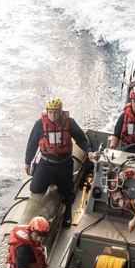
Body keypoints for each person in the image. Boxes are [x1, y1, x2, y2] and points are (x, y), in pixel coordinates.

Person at [24, 97, 94, 227]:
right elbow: (32, 144)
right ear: (47, 111)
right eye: (50, 112)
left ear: (61, 112)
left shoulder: (70, 123)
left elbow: (80, 138)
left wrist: (88, 150)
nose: (53, 115)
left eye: (56, 112)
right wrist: (27, 162)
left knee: (68, 192)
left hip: (64, 163)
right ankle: (51, 180)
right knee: (35, 188)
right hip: (46, 162)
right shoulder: (39, 124)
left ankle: (68, 212)